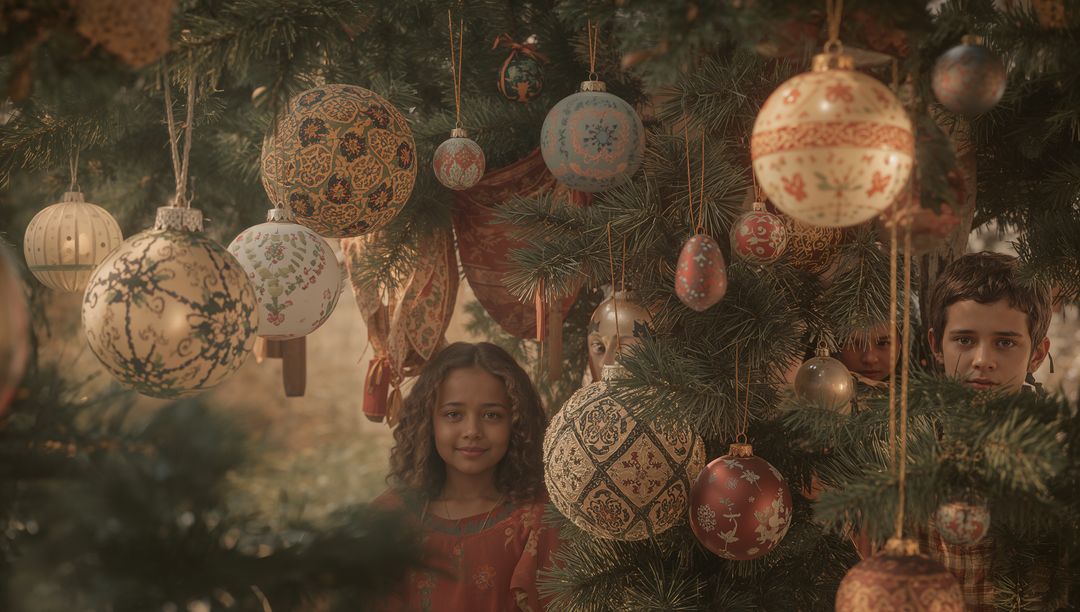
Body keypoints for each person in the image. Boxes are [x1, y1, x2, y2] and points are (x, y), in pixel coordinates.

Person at [373, 342, 560, 612]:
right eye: (453, 414)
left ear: (516, 423)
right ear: (429, 422)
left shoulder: (539, 518)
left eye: (491, 415)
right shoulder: (389, 517)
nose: (472, 430)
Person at [921, 251, 1054, 610]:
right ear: (936, 345)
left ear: (1037, 355)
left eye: (1005, 342)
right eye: (964, 340)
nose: (983, 360)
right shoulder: (898, 445)